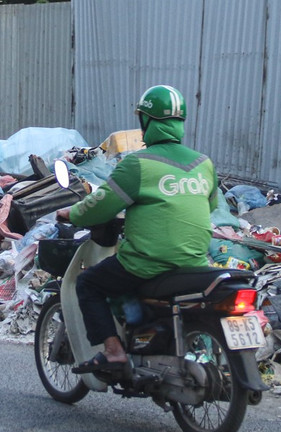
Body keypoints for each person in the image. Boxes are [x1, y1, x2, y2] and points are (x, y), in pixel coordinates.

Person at [56, 84, 217, 374]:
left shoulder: (138, 164)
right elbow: (211, 206)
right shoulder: (204, 164)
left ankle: (114, 351)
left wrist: (73, 213)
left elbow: (100, 206)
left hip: (148, 263)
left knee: (89, 283)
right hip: (194, 262)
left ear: (146, 121)